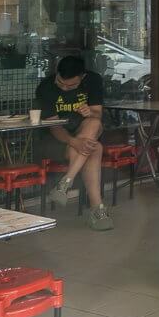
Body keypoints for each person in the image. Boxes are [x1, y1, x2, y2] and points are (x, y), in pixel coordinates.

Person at [39, 55, 112, 231]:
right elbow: (54, 127)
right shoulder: (46, 87)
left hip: (84, 132)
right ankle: (97, 209)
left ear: (83, 77)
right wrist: (74, 142)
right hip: (56, 140)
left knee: (94, 123)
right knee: (95, 149)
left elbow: (97, 116)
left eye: (71, 85)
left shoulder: (92, 81)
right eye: (60, 83)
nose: (65, 88)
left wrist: (90, 113)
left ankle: (66, 182)